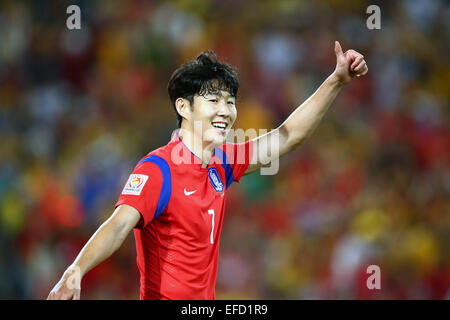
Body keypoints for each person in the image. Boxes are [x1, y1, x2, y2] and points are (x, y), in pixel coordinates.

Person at [47, 41, 368, 300]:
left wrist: (336, 81)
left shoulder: (222, 162)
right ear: (183, 107)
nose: (225, 111)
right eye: (213, 100)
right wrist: (76, 269)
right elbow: (118, 225)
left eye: (230, 102)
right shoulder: (158, 169)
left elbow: (288, 136)